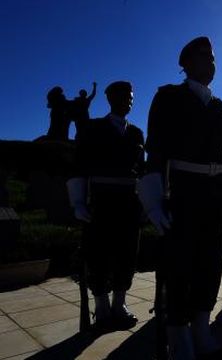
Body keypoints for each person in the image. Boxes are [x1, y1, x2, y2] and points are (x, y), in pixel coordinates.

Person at [138, 36, 222, 359]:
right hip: (182, 191)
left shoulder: (221, 108)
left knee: (210, 265)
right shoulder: (168, 97)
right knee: (179, 268)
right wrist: (153, 201)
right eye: (204, 56)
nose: (211, 62)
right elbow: (156, 152)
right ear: (187, 64)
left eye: (213, 57)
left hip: (212, 195)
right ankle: (179, 337)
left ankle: (202, 330)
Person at [66, 81, 143, 331]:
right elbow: (79, 165)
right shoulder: (93, 128)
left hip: (129, 201)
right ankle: (101, 305)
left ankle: (119, 303)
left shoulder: (136, 133)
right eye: (123, 96)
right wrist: (78, 201)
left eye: (131, 97)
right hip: (101, 199)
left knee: (127, 254)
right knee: (97, 254)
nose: (128, 101)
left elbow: (141, 171)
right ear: (110, 99)